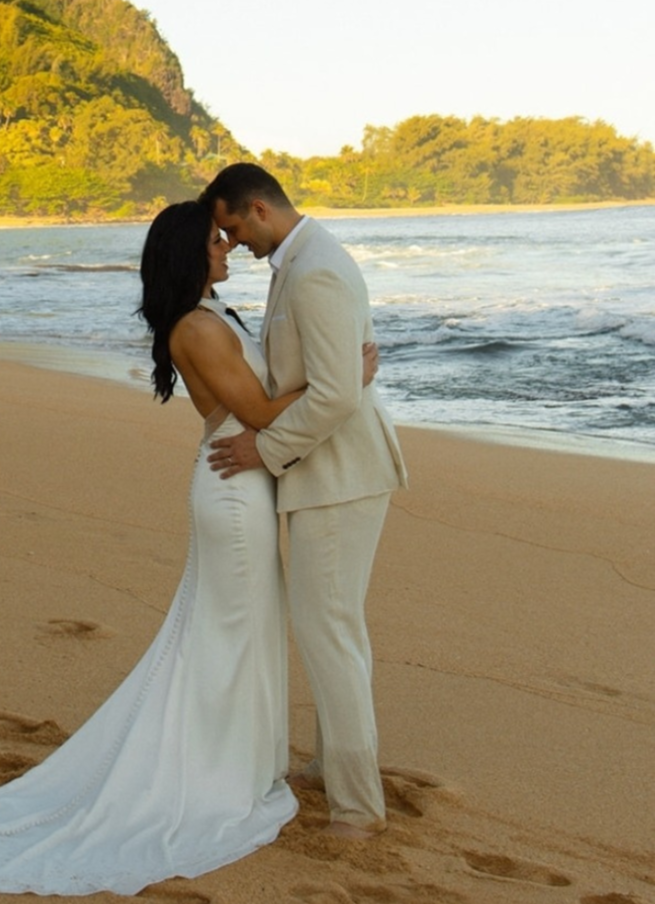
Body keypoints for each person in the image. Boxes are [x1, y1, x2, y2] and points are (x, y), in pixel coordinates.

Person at [0, 201, 376, 896]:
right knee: (230, 635)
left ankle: (238, 762)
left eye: (226, 238)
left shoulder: (210, 316)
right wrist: (344, 379)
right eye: (215, 242)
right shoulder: (195, 326)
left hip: (244, 483)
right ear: (190, 254)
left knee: (237, 633)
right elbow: (257, 414)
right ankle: (212, 773)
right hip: (232, 488)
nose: (226, 249)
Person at [200, 164, 407, 841]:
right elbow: (330, 379)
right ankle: (328, 764)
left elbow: (336, 394)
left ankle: (355, 810)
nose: (232, 243)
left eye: (232, 227)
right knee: (334, 628)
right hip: (331, 471)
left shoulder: (314, 268)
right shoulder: (301, 260)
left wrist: (265, 449)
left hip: (340, 475)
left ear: (258, 210)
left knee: (328, 632)